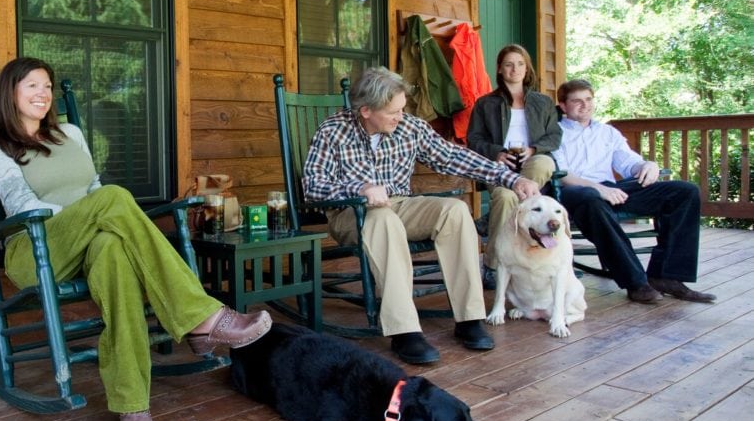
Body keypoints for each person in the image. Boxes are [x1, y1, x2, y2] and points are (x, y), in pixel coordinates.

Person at [0, 57, 271, 421]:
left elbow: (92, 186)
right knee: (113, 198)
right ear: (10, 92)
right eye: (32, 85)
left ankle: (133, 407)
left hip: (91, 240)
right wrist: (88, 215)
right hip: (36, 248)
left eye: (48, 86)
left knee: (114, 252)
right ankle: (201, 315)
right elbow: (22, 206)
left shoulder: (70, 134)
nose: (44, 93)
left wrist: (97, 218)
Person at [302, 67, 540, 365]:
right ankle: (405, 331)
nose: (400, 116)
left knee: (454, 211)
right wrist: (360, 188)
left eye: (402, 109)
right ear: (365, 111)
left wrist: (511, 179)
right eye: (393, 111)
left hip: (401, 204)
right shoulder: (333, 130)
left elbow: (455, 157)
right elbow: (312, 186)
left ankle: (469, 318)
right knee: (383, 219)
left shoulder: (409, 127)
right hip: (352, 212)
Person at [552, 79, 715, 304]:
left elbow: (627, 162)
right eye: (576, 101)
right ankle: (636, 282)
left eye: (588, 100)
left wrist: (647, 165)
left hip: (612, 191)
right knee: (591, 198)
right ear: (563, 105)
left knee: (684, 192)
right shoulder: (554, 132)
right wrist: (598, 189)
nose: (585, 105)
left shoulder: (607, 132)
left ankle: (666, 275)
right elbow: (561, 173)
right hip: (575, 193)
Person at [467, 45, 562, 281]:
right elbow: (474, 139)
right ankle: (493, 265)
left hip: (532, 163)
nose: (515, 69)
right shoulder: (485, 103)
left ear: (527, 67)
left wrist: (534, 149)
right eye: (508, 64)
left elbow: (554, 136)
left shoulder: (542, 102)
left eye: (520, 64)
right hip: (500, 167)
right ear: (499, 69)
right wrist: (497, 153)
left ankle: (490, 220)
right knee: (504, 196)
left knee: (543, 164)